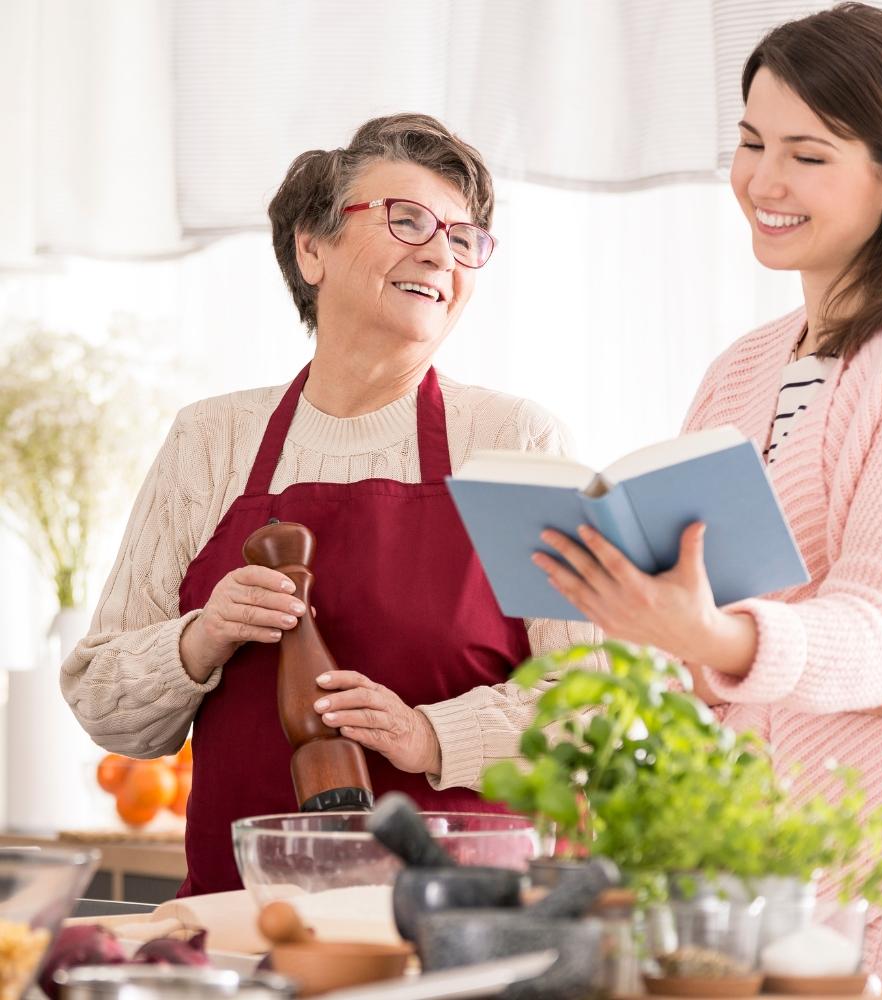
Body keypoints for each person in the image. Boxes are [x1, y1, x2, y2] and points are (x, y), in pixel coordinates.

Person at [532, 5, 882, 996]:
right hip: (760, 859)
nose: (763, 181)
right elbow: (712, 644)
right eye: (750, 143)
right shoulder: (740, 368)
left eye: (807, 154)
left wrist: (726, 641)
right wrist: (661, 624)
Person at [61, 113, 600, 896]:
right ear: (312, 248)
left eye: (462, 238)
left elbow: (598, 706)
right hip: (247, 920)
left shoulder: (518, 442)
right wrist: (202, 637)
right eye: (407, 219)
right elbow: (104, 704)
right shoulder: (211, 440)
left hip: (457, 929)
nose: (440, 253)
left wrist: (428, 734)